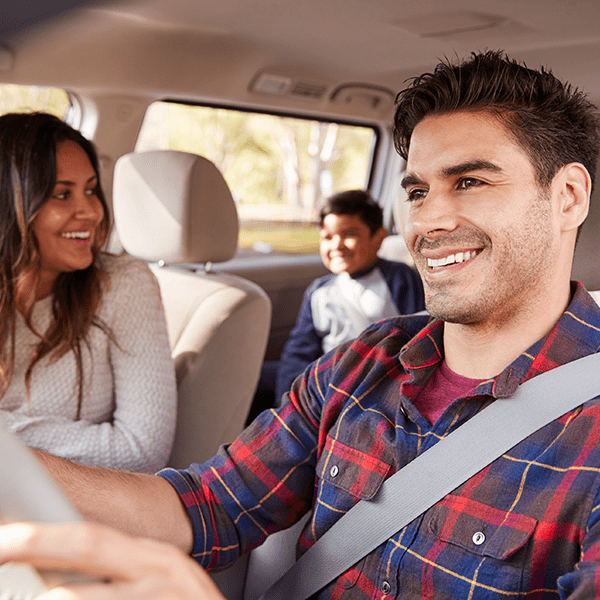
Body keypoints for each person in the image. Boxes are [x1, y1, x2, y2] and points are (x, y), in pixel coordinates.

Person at [3, 49, 600, 599]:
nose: (428, 221)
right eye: (418, 192)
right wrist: (12, 464)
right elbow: (209, 505)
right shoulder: (363, 364)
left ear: (568, 196)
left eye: (469, 182)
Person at [0, 112, 176, 473]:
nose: (92, 212)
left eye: (91, 190)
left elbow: (141, 451)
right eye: (62, 194)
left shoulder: (123, 285)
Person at [248, 189, 425, 423]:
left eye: (349, 234)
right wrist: (286, 401)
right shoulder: (318, 290)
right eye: (328, 237)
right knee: (249, 376)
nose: (337, 245)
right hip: (326, 375)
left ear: (378, 237)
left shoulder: (399, 277)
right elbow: (299, 350)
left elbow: (417, 335)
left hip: (375, 376)